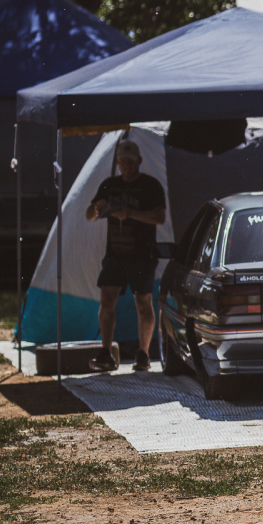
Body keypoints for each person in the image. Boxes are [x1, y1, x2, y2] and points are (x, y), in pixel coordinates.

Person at [84, 140, 167, 372]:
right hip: (115, 255)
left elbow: (159, 217)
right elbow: (89, 216)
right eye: (122, 161)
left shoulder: (151, 186)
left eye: (130, 161)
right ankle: (105, 352)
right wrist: (98, 208)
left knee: (143, 303)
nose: (126, 165)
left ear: (139, 161)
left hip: (142, 255)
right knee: (107, 300)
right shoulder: (109, 185)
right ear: (117, 163)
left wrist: (130, 213)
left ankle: (143, 353)